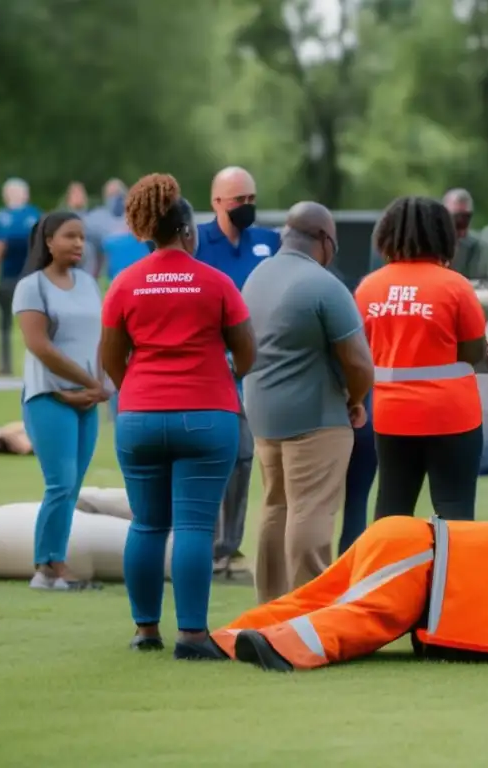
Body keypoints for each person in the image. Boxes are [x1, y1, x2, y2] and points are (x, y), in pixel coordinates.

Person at [100, 173, 255, 660]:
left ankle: (146, 630)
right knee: (193, 526)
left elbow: (109, 358)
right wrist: (222, 373)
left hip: (140, 414)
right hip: (208, 415)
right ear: (188, 231)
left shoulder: (124, 283)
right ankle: (192, 636)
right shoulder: (217, 282)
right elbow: (247, 353)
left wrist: (139, 392)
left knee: (147, 524)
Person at [209, 516, 488, 672]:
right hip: (420, 560)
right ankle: (280, 647)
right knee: (360, 618)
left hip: (406, 535)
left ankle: (224, 637)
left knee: (315, 597)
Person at [242, 202, 374, 605]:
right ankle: (310, 607)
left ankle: (271, 605)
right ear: (323, 240)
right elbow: (358, 362)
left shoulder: (256, 277)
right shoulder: (323, 285)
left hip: (263, 414)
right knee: (311, 511)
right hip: (315, 417)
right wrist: (355, 399)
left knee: (275, 508)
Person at [354, 196, 487, 521]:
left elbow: (360, 350)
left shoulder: (369, 288)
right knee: (455, 509)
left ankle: (388, 572)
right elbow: (474, 352)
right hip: (453, 415)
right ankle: (452, 573)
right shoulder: (456, 286)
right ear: (443, 234)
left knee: (392, 509)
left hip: (392, 415)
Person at [196, 166, 281, 580]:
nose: (247, 207)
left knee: (245, 459)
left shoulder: (268, 242)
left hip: (258, 367)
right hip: (210, 366)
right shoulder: (196, 242)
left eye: (251, 199)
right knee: (213, 455)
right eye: (238, 201)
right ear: (216, 203)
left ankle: (228, 550)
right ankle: (206, 547)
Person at [13, 212, 106, 590]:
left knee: (73, 484)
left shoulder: (87, 283)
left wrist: (99, 385)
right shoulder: (31, 286)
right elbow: (40, 346)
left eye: (82, 238)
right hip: (49, 396)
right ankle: (47, 568)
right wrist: (88, 383)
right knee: (60, 482)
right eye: (70, 237)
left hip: (86, 398)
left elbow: (101, 337)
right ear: (48, 241)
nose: (79, 244)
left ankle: (54, 564)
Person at [0, 178, 42, 376]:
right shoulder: (1, 216)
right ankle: (5, 365)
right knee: (4, 323)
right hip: (7, 277)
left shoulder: (33, 214)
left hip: (29, 275)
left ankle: (38, 361)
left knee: (32, 321)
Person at [83, 178, 129, 279]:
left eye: (118, 193)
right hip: (108, 272)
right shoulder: (97, 216)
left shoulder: (137, 215)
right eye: (111, 194)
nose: (115, 198)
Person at [443, 188, 488, 281]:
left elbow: (483, 280)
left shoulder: (478, 247)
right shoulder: (434, 246)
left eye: (466, 217)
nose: (461, 221)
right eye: (457, 216)